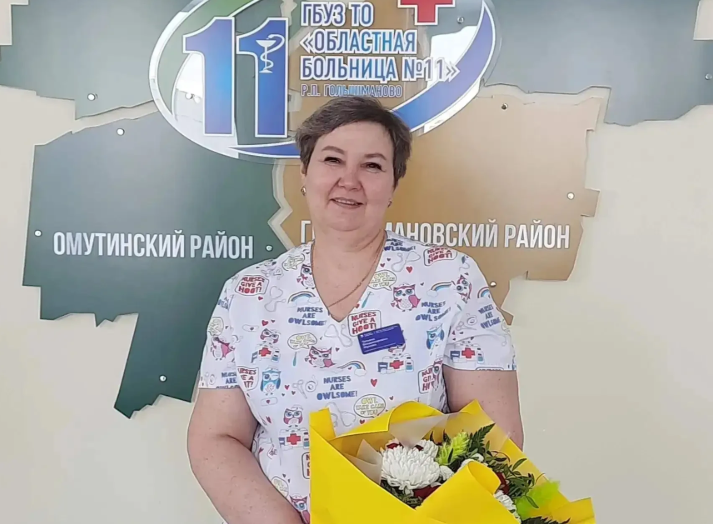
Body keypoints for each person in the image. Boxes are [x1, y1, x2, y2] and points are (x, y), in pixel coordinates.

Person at [187, 96, 523, 524]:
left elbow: (495, 435)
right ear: (305, 173)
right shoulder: (248, 294)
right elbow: (216, 437)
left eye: (372, 165)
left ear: (393, 184)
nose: (349, 180)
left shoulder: (448, 279)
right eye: (332, 160)